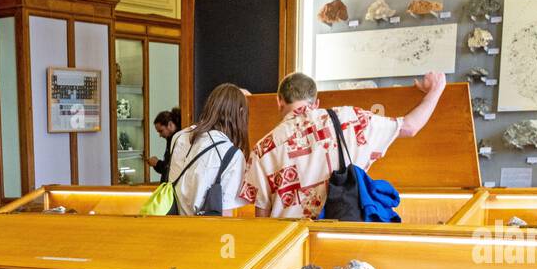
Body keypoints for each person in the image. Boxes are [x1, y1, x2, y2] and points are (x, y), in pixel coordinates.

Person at [240, 70, 445, 219]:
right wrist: (436, 90)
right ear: (316, 102)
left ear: (279, 101)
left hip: (288, 245)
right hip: (341, 235)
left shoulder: (262, 148)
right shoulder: (351, 120)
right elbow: (409, 127)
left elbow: (262, 217)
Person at [165, 85, 248, 216]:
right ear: (240, 112)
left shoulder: (179, 137)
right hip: (207, 232)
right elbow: (225, 211)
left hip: (174, 226)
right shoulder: (232, 154)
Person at [145, 108, 180, 183]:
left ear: (170, 125)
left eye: (161, 131)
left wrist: (157, 163)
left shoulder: (179, 140)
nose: (160, 135)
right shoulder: (172, 139)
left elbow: (173, 168)